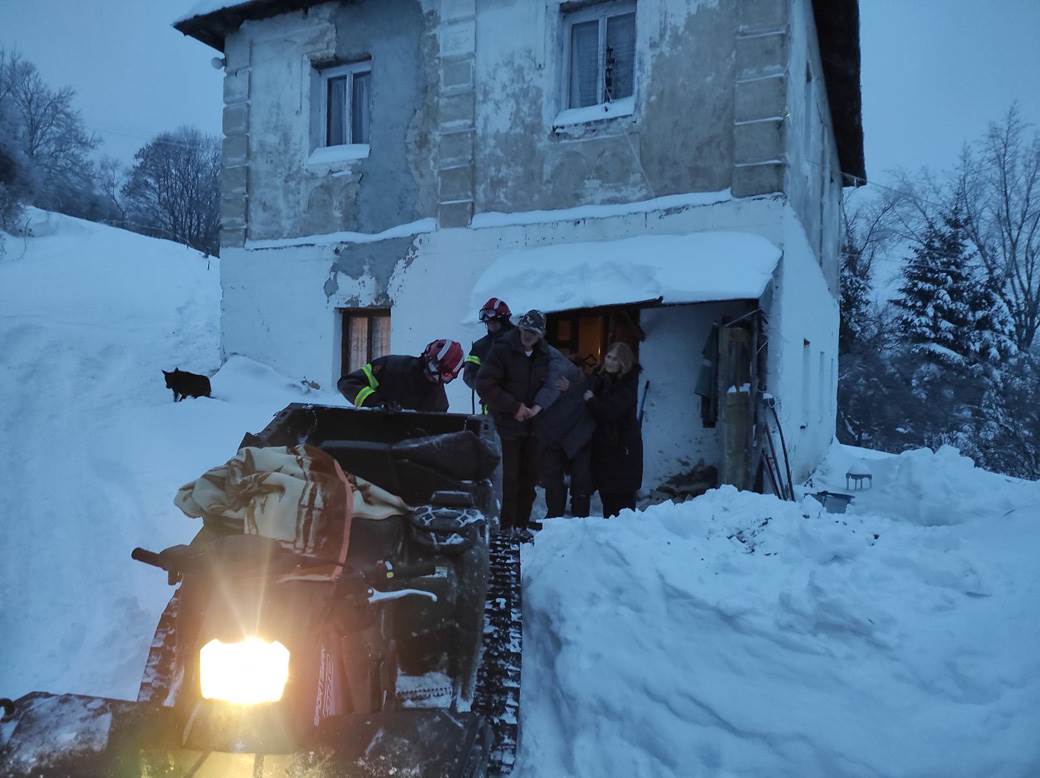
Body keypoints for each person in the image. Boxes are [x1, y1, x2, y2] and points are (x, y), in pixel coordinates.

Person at [476, 310, 553, 533]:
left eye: (534, 333)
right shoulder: (502, 349)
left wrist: (539, 406)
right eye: (526, 331)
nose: (528, 336)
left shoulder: (544, 354)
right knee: (508, 480)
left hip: (533, 427)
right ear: (520, 327)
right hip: (505, 426)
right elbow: (485, 383)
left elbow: (553, 380)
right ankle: (505, 527)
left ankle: (520, 525)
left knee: (529, 479)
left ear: (541, 335)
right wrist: (514, 407)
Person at [533, 349, 595, 518]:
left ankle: (578, 518)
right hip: (556, 436)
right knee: (555, 479)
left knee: (579, 480)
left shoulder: (587, 384)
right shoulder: (548, 382)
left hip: (577, 436)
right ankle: (557, 516)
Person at [583, 342, 643, 517]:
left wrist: (591, 400)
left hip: (623, 451)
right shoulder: (602, 380)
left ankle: (624, 542)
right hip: (605, 450)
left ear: (623, 362)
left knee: (622, 504)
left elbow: (610, 412)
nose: (610, 361)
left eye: (615, 358)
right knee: (607, 498)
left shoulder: (627, 384)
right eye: (608, 357)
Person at [338, 339, 464, 412]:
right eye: (434, 368)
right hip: (374, 437)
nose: (437, 378)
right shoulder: (390, 367)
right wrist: (378, 403)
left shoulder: (439, 401)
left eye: (446, 376)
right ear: (426, 359)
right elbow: (347, 383)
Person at [463, 297, 514, 413]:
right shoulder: (480, 346)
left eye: (494, 322)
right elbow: (468, 374)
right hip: (491, 410)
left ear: (504, 321)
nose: (490, 325)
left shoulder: (520, 340)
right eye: (488, 323)